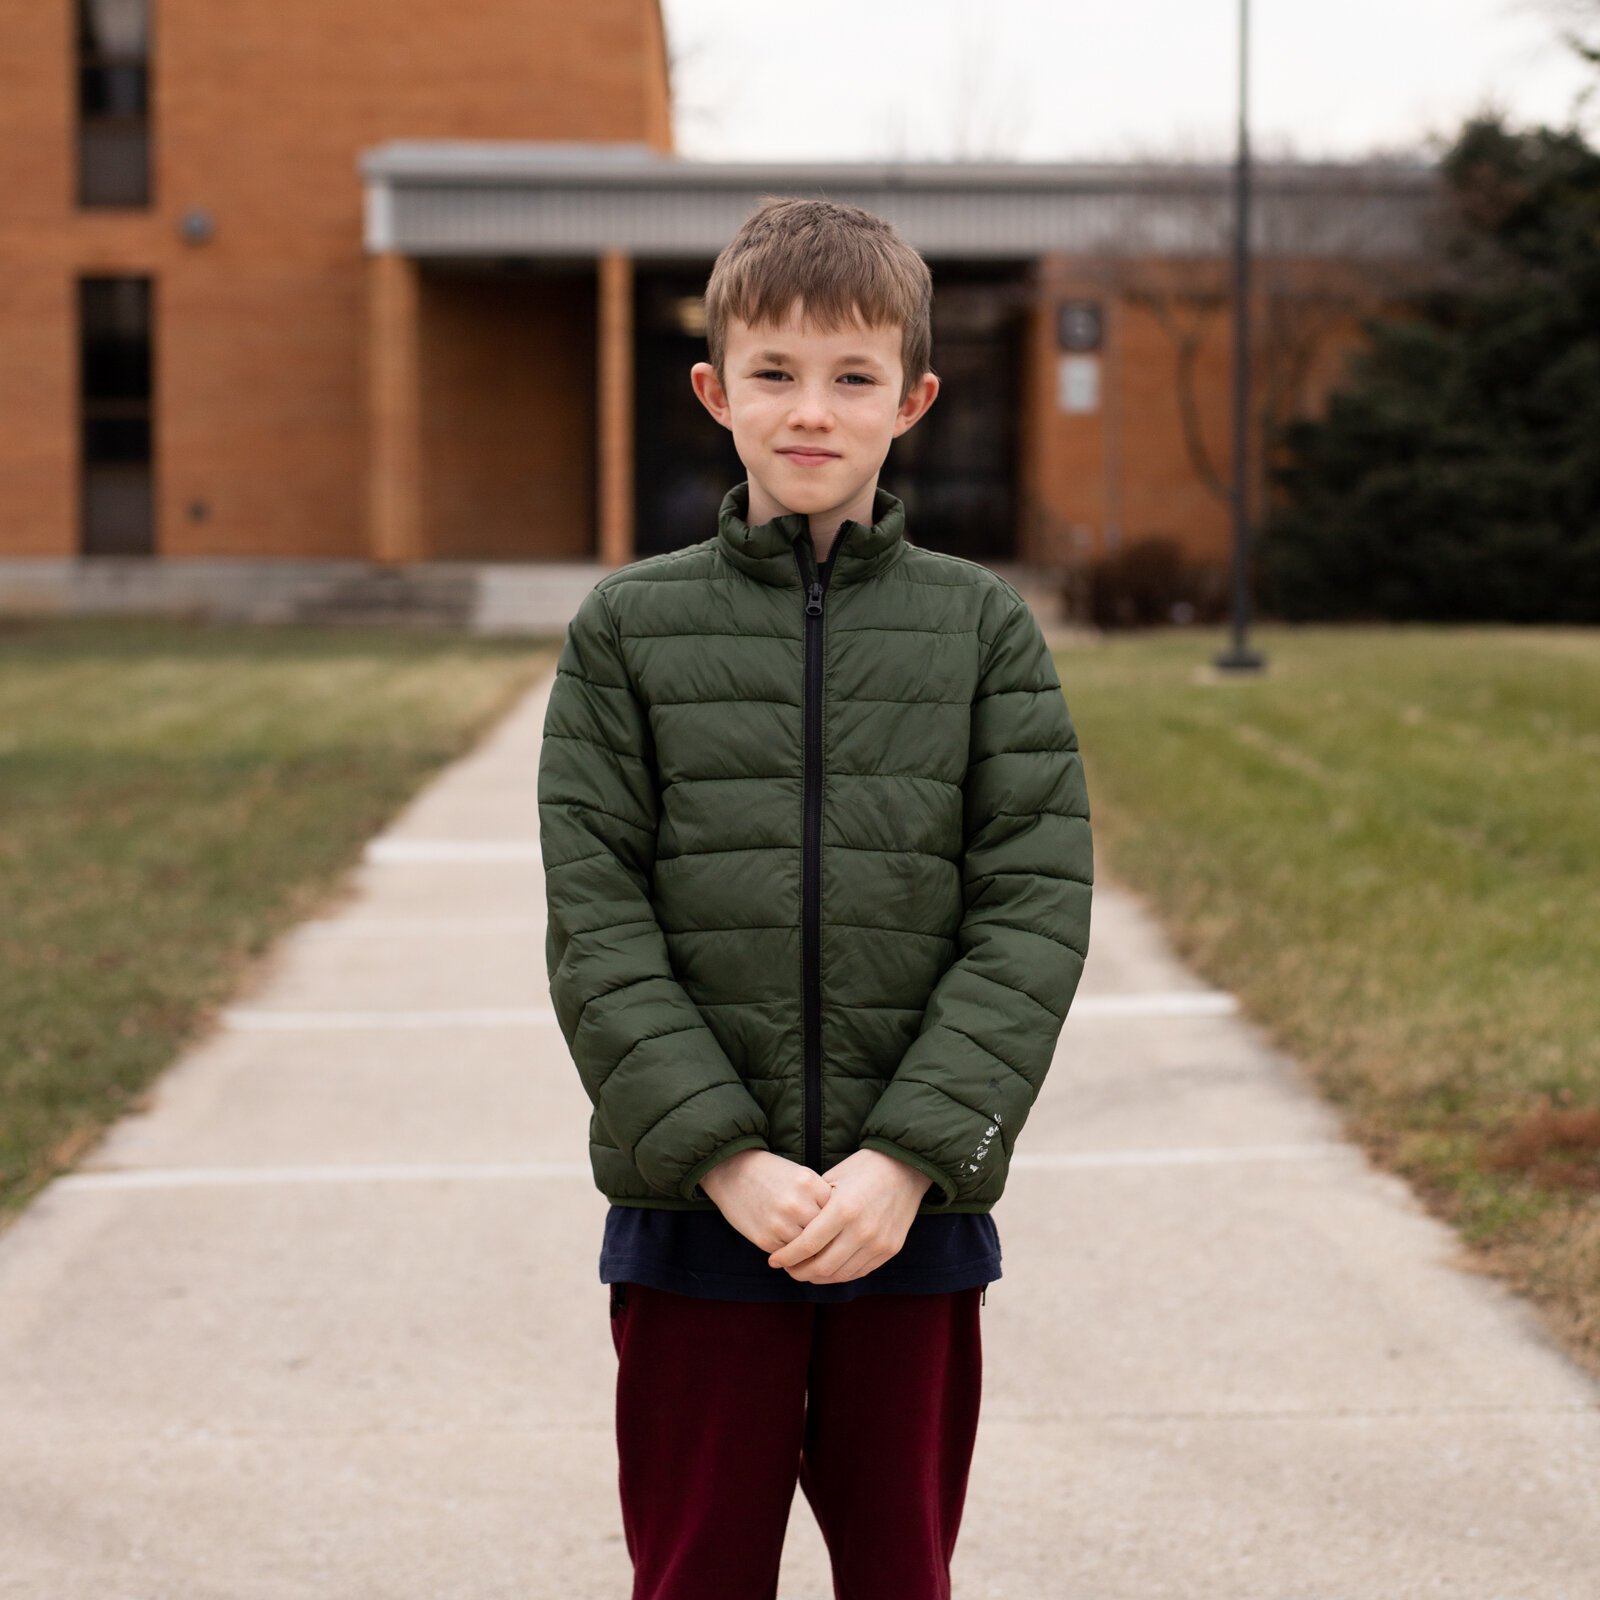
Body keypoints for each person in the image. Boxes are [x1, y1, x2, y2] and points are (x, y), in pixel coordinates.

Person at [538, 195, 1093, 1600]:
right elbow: (598, 927)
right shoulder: (626, 632)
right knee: (695, 1573)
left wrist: (909, 1159)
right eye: (775, 373)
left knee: (900, 1573)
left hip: (909, 1224)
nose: (811, 412)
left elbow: (1030, 908)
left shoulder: (981, 630)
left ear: (912, 398)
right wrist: (724, 1158)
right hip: (694, 1218)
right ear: (714, 389)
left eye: (852, 378)